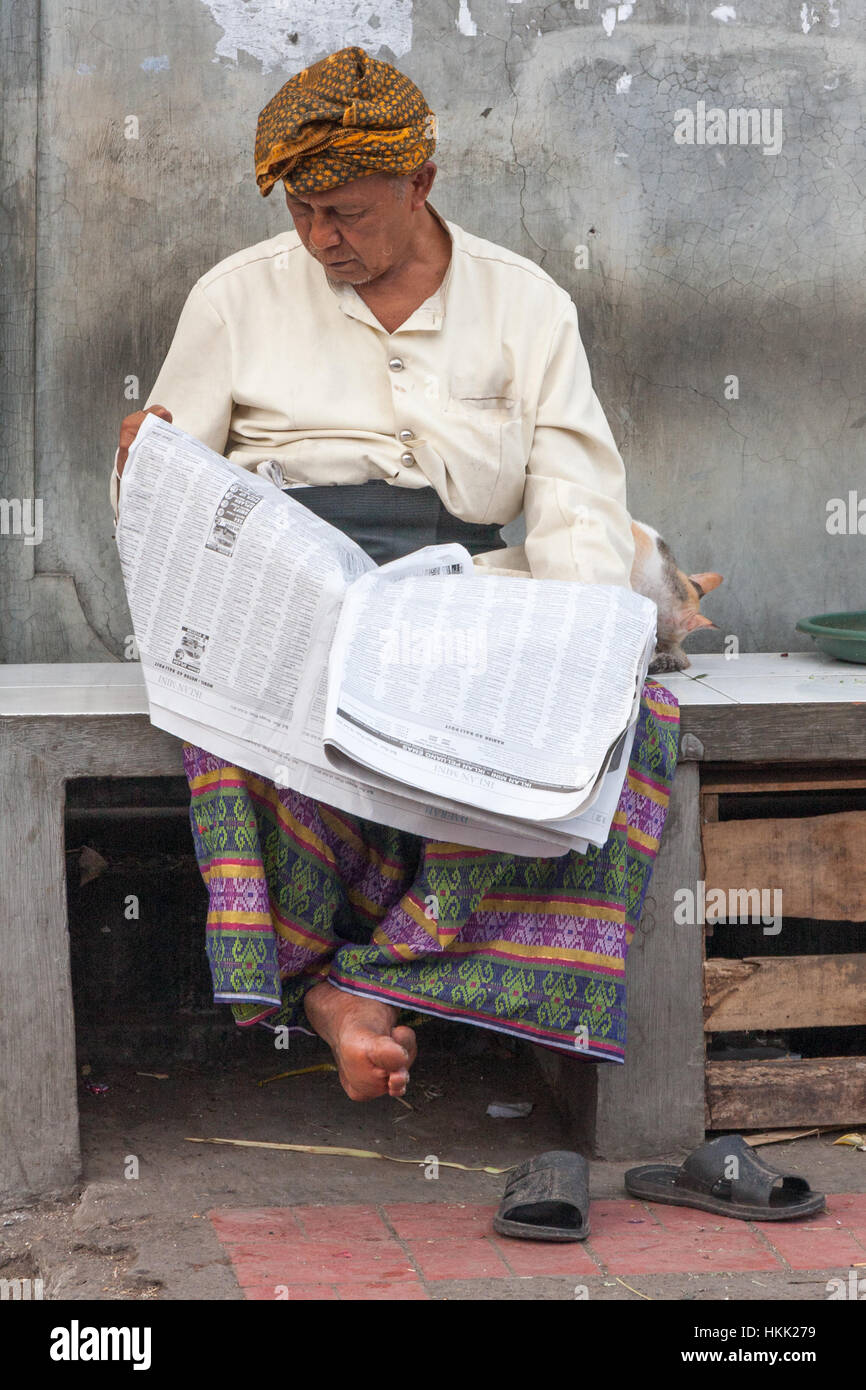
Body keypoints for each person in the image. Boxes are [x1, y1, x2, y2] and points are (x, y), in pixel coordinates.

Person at [113, 46, 679, 1105]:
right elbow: (166, 484)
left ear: (421, 183)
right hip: (287, 595)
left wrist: (580, 648)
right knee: (235, 720)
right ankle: (335, 984)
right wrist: (140, 468)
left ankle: (366, 982)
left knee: (621, 732)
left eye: (348, 212)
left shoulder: (524, 304)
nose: (322, 237)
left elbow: (572, 501)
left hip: (456, 594)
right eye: (302, 210)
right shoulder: (234, 298)